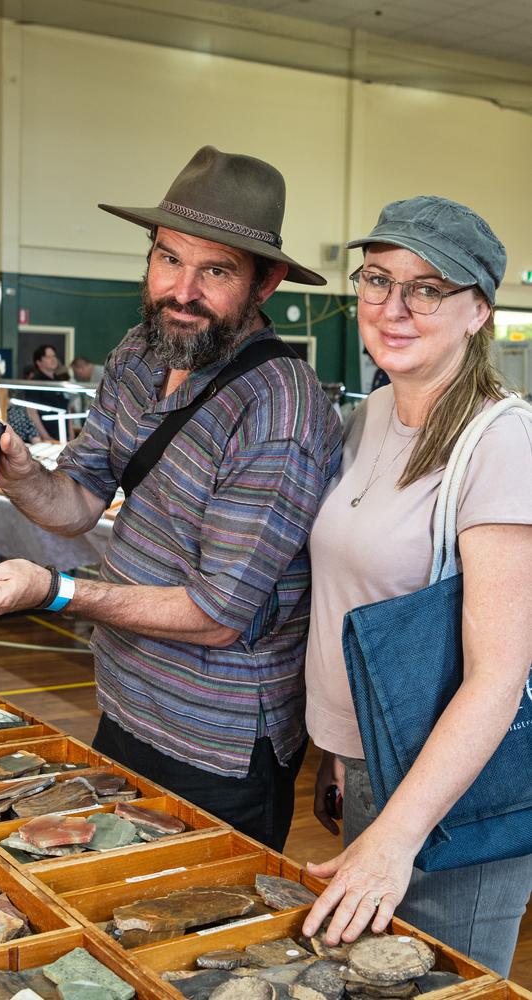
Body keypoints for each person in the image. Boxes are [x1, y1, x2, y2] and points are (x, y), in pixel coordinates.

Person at [0, 145, 342, 850]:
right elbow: (82, 499)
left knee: (193, 937)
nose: (182, 290)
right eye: (169, 258)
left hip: (217, 741)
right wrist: (22, 469)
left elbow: (217, 615)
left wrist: (55, 591)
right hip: (126, 700)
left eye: (215, 271)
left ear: (265, 282)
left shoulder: (280, 414)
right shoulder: (142, 353)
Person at [302, 196, 532, 975]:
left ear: (478, 311)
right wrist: (338, 750)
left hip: (451, 797)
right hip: (375, 766)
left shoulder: (500, 441)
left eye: (427, 288)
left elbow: (498, 677)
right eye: (377, 279)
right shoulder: (368, 418)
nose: (394, 307)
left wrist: (396, 835)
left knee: (445, 983)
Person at [21, 345, 69, 440]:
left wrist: (71, 437)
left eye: (54, 356)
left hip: (64, 436)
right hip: (45, 438)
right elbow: (32, 412)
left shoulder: (60, 381)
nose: (53, 359)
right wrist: (46, 438)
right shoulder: (35, 382)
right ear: (38, 362)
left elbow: (67, 410)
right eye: (48, 357)